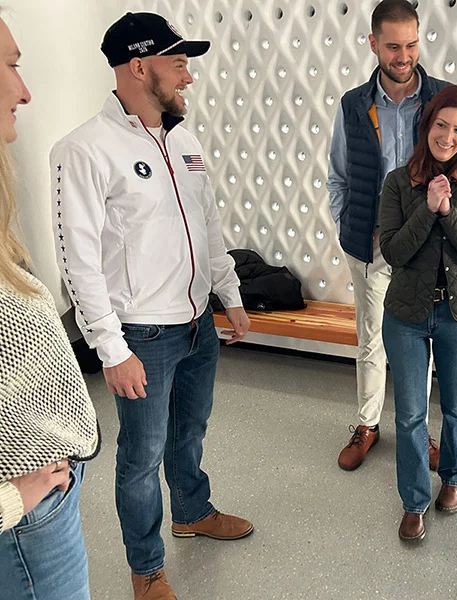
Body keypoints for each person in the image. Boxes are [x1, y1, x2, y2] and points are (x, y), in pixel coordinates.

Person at [51, 13, 252, 600]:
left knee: (190, 429)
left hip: (196, 325)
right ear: (140, 66)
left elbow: (209, 230)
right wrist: (111, 349)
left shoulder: (183, 139)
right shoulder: (83, 150)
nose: (187, 76)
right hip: (142, 335)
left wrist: (230, 296)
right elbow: (77, 259)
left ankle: (191, 509)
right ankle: (147, 570)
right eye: (178, 61)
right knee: (140, 457)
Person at [327, 0, 451, 472]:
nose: (404, 56)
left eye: (412, 44)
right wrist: (348, 227)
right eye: (394, 46)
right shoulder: (353, 104)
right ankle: (367, 424)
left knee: (420, 343)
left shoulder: (443, 99)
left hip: (425, 246)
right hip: (371, 245)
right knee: (371, 339)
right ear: (374, 43)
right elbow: (338, 175)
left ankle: (416, 431)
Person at [0, 14, 100, 600]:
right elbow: (81, 258)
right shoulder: (81, 151)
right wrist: (17, 496)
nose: (25, 89)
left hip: (48, 486)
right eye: (11, 65)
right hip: (25, 511)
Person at [379, 85, 457, 541]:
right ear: (427, 124)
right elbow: (394, 252)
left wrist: (448, 212)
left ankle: (453, 477)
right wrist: (427, 210)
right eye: (441, 125)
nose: (447, 137)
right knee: (409, 415)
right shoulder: (397, 182)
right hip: (407, 315)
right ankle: (413, 501)